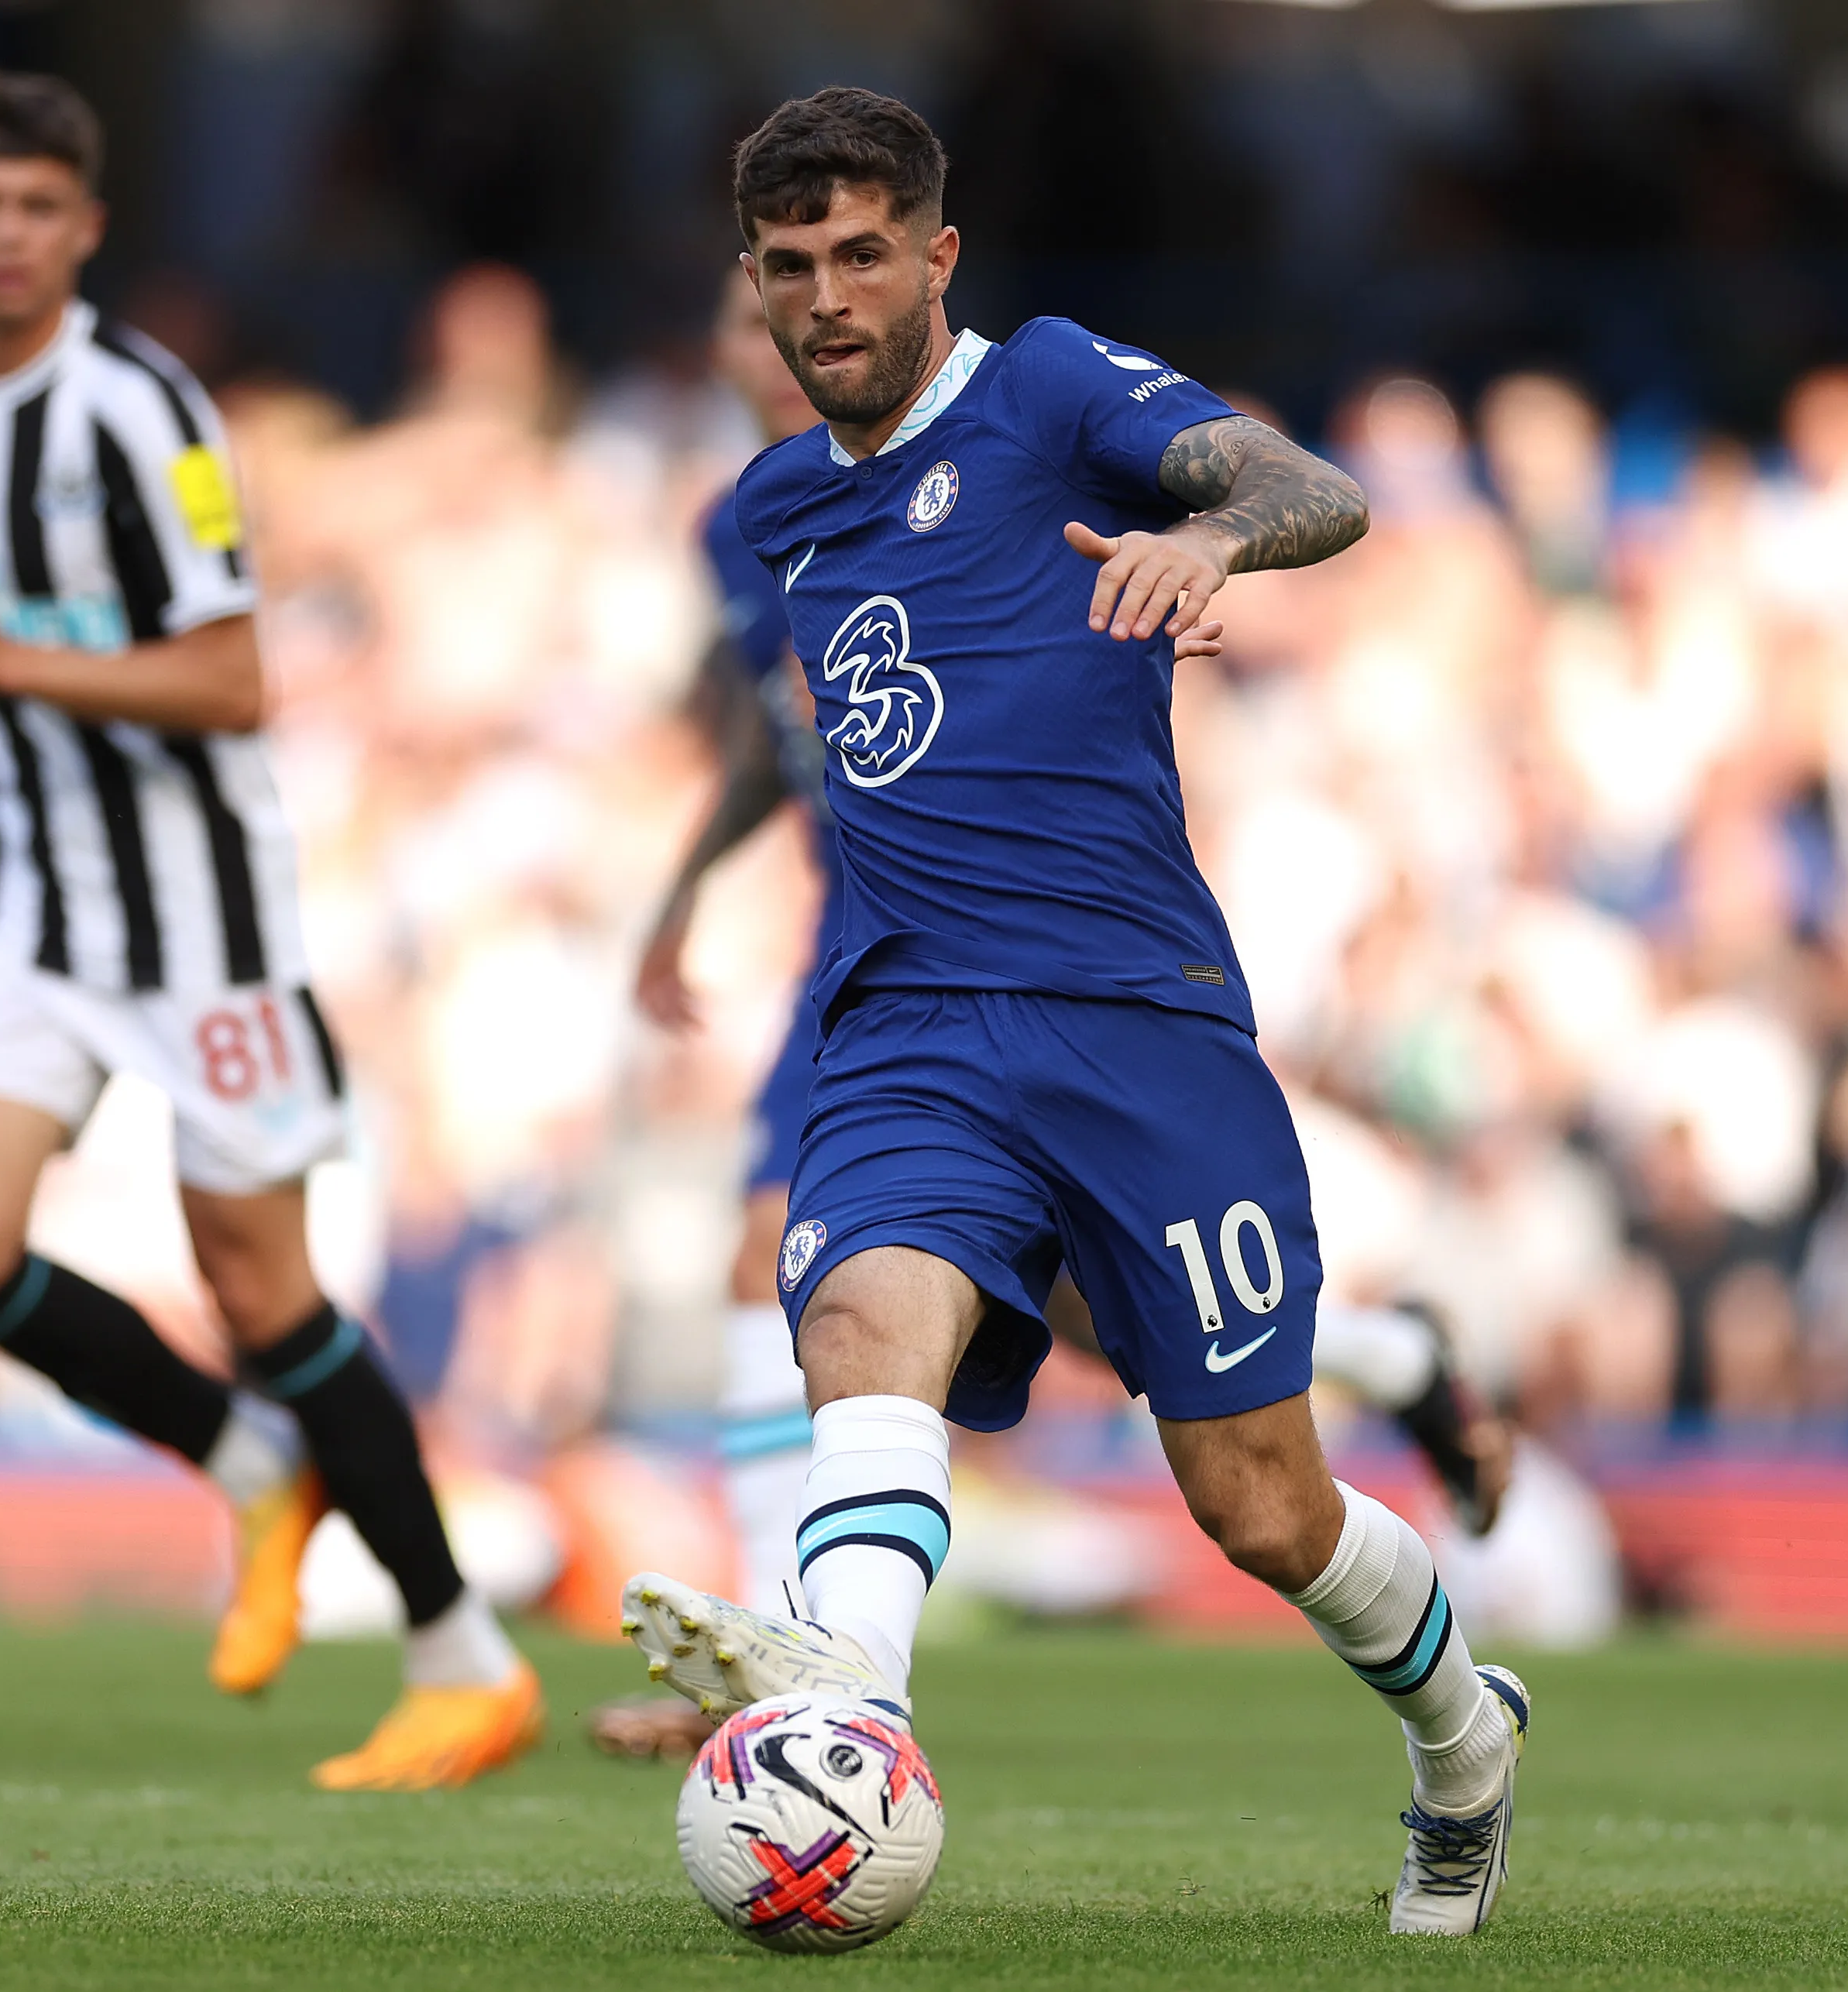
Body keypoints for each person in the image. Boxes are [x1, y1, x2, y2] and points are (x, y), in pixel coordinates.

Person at [616, 89, 1530, 1934]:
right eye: (789, 265)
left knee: (1262, 1505)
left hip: (1134, 1019)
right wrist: (687, 882)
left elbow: (1314, 487)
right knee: (859, 1321)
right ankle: (852, 1713)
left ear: (937, 255)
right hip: (911, 1022)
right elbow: (796, 731)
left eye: (864, 253)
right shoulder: (778, 507)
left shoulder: (1043, 390)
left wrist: (1213, 544)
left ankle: (1464, 1740)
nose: (827, 296)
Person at [0, 70, 541, 1790]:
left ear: (85, 228)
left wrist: (4, 661)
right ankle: (242, 1461)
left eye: (35, 207)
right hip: (34, 901)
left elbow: (231, 679)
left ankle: (461, 1654)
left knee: (261, 1284)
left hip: (204, 915)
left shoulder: (143, 412)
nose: (5, 236)